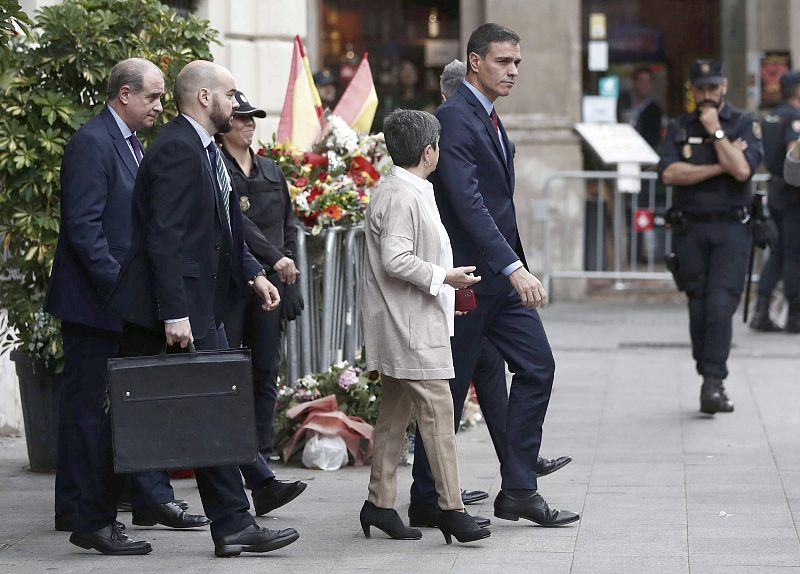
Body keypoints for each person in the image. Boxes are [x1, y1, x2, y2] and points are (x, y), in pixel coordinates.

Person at [88, 61, 300, 557]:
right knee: (159, 410)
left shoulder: (205, 150)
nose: (235, 102)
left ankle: (227, 524)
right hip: (169, 307)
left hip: (193, 303)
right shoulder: (178, 149)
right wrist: (175, 313)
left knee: (203, 408)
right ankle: (101, 516)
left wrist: (254, 274)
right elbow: (165, 237)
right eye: (230, 93)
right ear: (204, 97)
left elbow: (223, 229)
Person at [409, 23, 580, 529]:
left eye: (518, 63)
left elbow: (494, 201)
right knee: (453, 389)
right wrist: (513, 266)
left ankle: (520, 489)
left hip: (497, 281)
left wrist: (510, 267)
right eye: (504, 62)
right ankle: (426, 496)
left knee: (537, 367)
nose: (513, 71)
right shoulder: (455, 118)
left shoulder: (485, 115)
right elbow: (468, 202)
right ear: (475, 61)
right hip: (468, 280)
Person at [43, 57, 205, 535]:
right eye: (153, 97)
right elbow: (84, 230)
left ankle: (149, 499)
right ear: (124, 95)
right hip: (95, 306)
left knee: (138, 403)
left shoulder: (135, 145)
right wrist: (123, 290)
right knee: (87, 409)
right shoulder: (92, 143)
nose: (159, 106)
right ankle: (75, 507)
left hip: (125, 304)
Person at [360, 108, 489, 545]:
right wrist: (444, 277)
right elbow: (396, 260)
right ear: (429, 150)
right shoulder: (402, 194)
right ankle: (452, 508)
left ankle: (379, 503)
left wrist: (444, 281)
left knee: (395, 417)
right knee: (439, 416)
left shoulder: (407, 189)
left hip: (410, 320)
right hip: (409, 324)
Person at [218, 90, 308, 514]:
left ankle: (262, 453)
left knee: (266, 369)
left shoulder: (271, 169)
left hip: (272, 283)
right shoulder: (218, 168)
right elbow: (241, 228)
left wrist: (288, 279)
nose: (249, 123)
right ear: (225, 125)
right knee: (233, 370)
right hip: (236, 285)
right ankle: (241, 460)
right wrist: (274, 261)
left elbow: (287, 226)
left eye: (253, 116)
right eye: (240, 118)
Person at [659, 59, 763, 414]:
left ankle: (713, 381)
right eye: (700, 88)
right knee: (699, 306)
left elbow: (743, 169)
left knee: (721, 305)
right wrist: (721, 164)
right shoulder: (678, 125)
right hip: (690, 228)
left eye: (713, 88)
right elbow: (671, 173)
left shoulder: (744, 123)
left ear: (724, 86)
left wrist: (716, 132)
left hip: (732, 228)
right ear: (693, 89)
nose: (707, 95)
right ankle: (708, 373)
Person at [751, 71, 800, 333]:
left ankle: (761, 310)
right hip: (793, 191)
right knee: (794, 255)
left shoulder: (770, 116)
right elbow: (796, 154)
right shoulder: (793, 117)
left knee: (779, 253)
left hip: (776, 187)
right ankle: (795, 314)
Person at [617, 66, 663, 148]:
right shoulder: (622, 102)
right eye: (641, 81)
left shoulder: (654, 109)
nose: (644, 86)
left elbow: (653, 137)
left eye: (647, 82)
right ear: (634, 82)